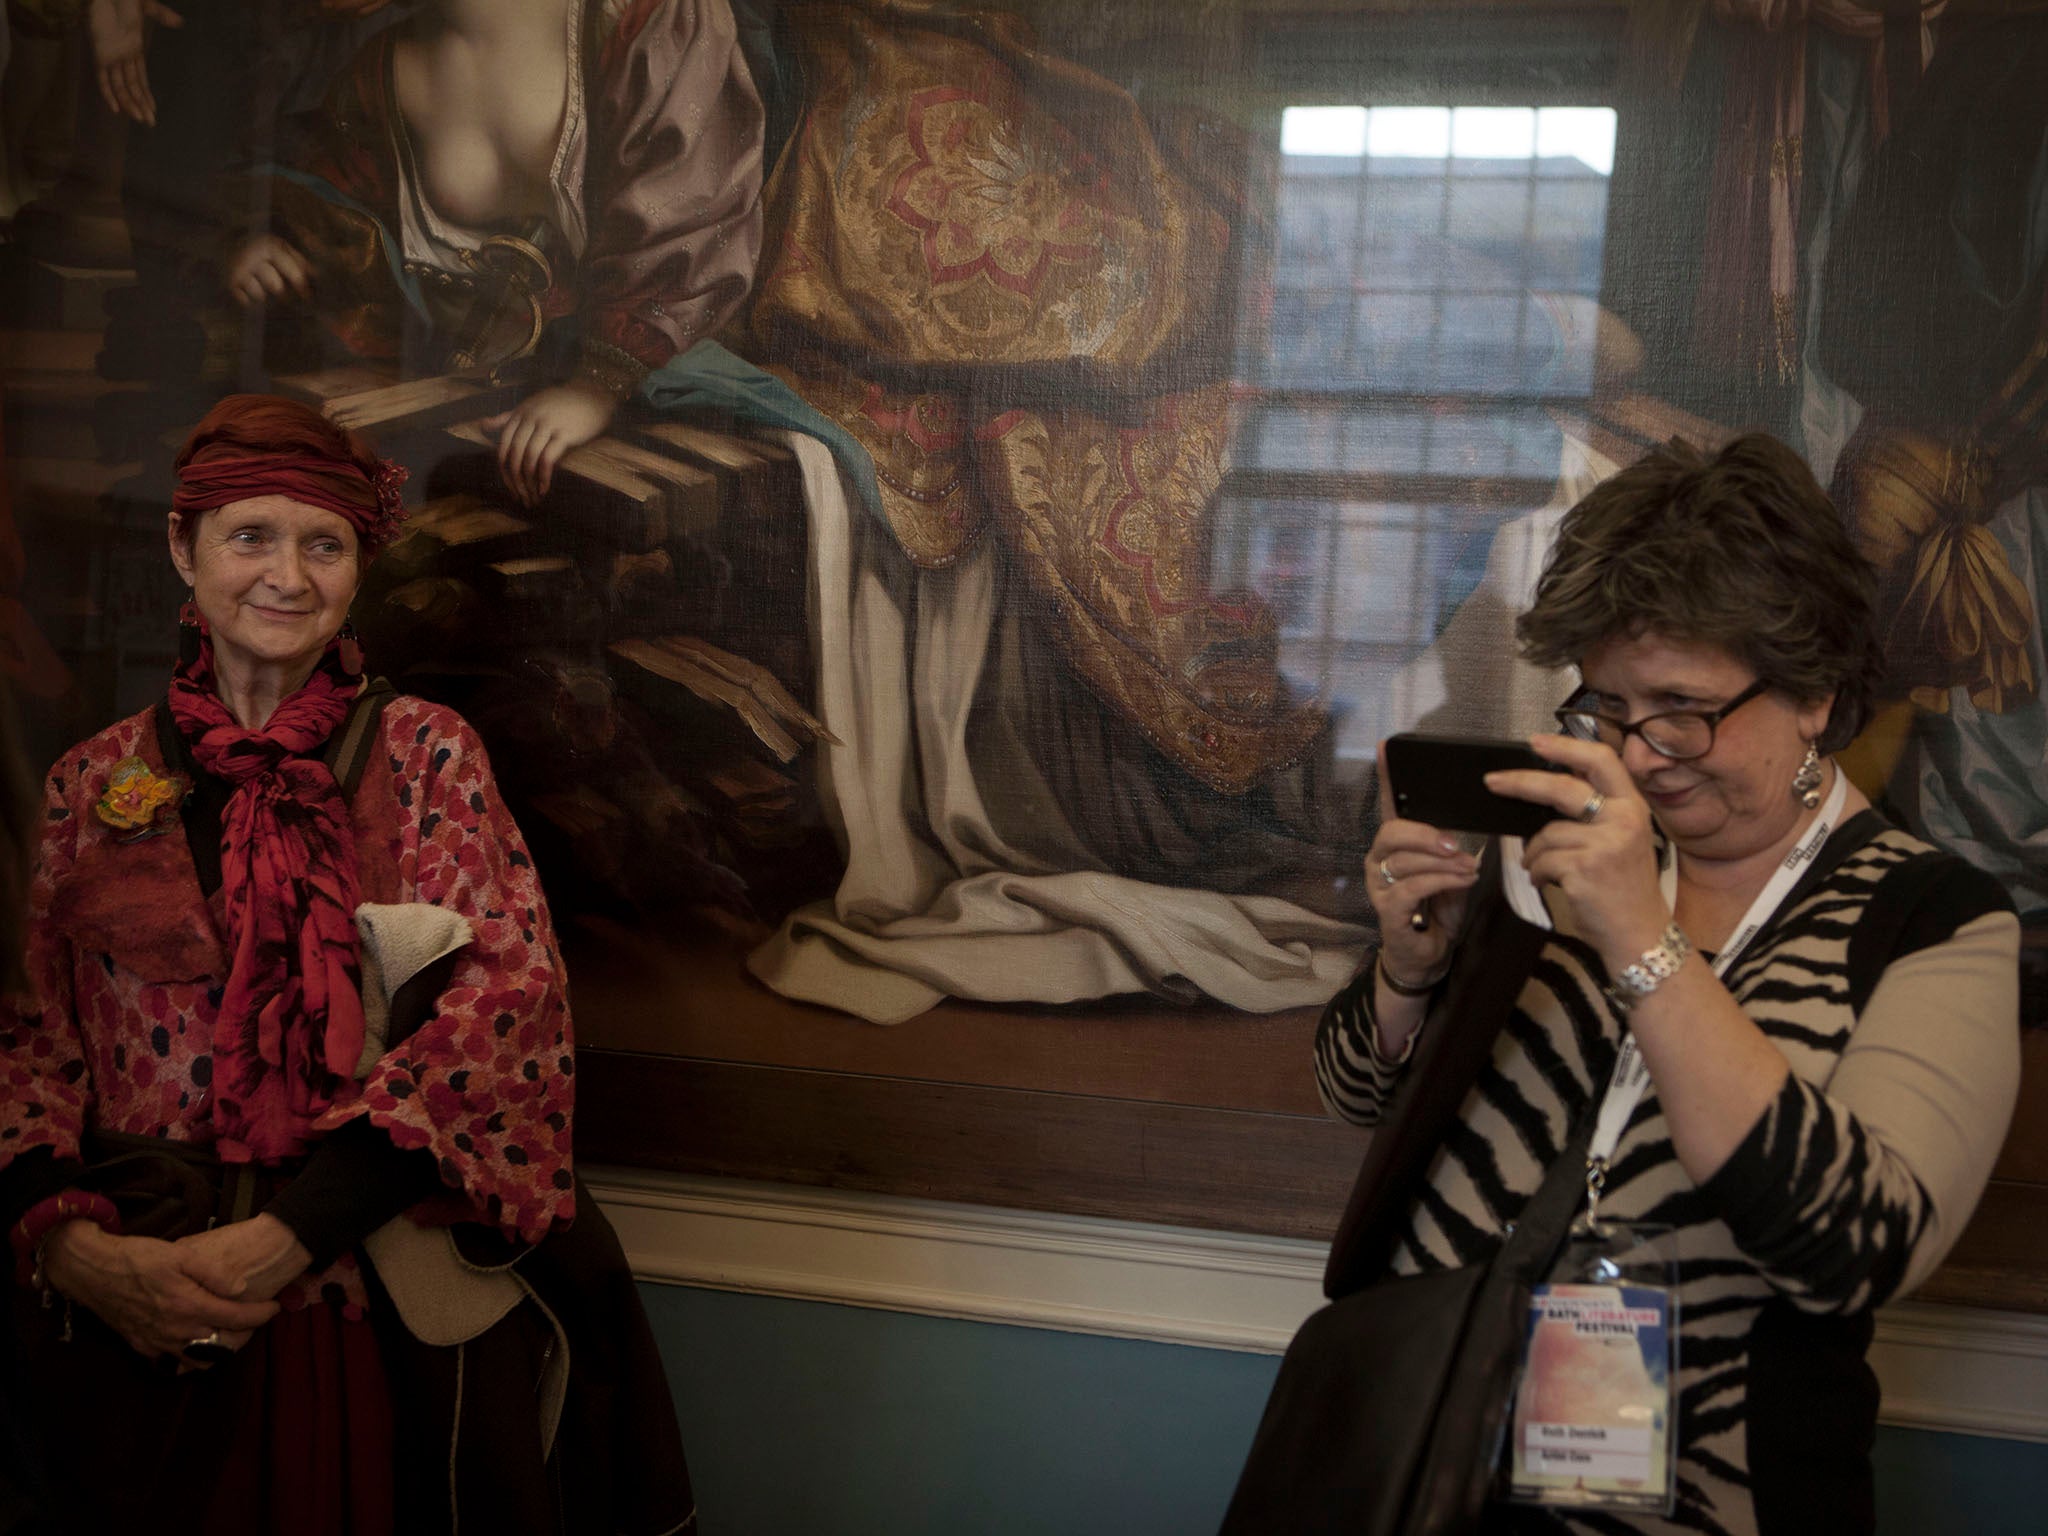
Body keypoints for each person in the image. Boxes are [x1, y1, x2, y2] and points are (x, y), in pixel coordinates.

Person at [0, 394, 692, 1535]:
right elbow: (26, 1038)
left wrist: (283, 1238)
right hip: (137, 1304)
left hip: (354, 1299)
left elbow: (507, 1017)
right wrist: (79, 1258)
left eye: (323, 545)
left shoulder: (427, 755)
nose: (286, 574)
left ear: (359, 569)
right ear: (184, 548)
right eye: (249, 537)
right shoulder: (92, 781)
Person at [1314, 433, 2020, 1535]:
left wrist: (1645, 947)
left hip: (1720, 1500)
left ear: (1815, 699)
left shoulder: (1931, 921)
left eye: (1682, 708)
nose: (1640, 754)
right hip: (1436, 1467)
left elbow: (1854, 1249)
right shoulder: (1562, 856)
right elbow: (1360, 1101)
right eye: (1605, 707)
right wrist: (1406, 975)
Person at [226, 0, 765, 507]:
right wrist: (274, 241)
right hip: (453, 419)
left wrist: (596, 387)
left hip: (643, 396)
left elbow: (693, 217)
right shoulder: (381, 66)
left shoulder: (645, 18)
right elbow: (342, 205)